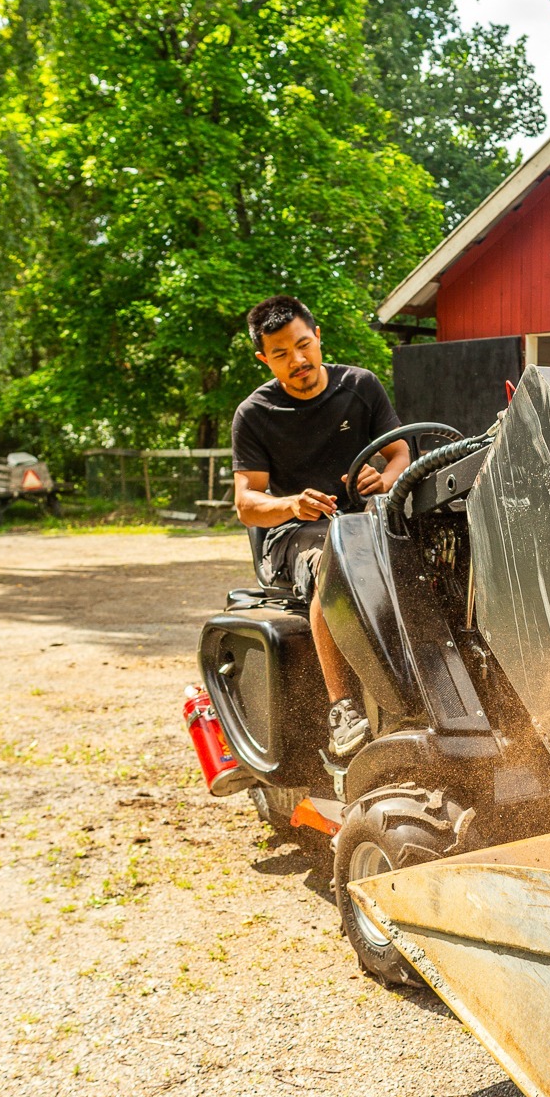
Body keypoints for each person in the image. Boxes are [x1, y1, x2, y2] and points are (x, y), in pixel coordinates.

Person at [231, 294, 410, 760]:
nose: (297, 360)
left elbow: (400, 453)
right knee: (335, 558)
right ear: (263, 359)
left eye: (303, 345)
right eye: (280, 354)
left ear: (318, 338)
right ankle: (343, 709)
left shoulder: (361, 387)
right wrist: (290, 504)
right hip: (292, 535)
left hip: (361, 519)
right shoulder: (254, 414)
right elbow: (247, 504)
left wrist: (383, 478)